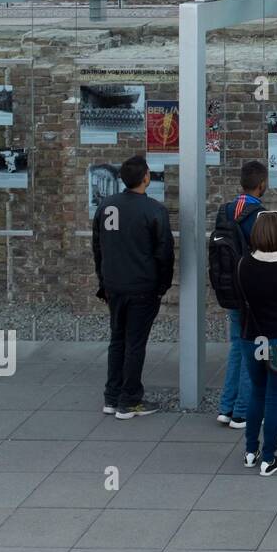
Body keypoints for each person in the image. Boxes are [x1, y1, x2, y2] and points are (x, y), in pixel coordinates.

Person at [92, 155, 175, 419]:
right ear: (146, 178)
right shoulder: (154, 210)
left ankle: (112, 396)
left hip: (114, 284)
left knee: (118, 339)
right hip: (142, 286)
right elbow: (164, 253)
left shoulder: (105, 206)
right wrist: (162, 285)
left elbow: (98, 247)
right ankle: (129, 400)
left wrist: (103, 280)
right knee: (135, 343)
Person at [236, 211, 277, 476]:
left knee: (256, 392)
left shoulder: (242, 264)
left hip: (250, 337)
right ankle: (269, 458)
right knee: (275, 398)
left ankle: (250, 451)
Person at [216, 161, 269, 430]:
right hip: (252, 291)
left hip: (230, 287)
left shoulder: (225, 210)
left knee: (237, 345)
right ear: (262, 184)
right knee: (253, 349)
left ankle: (226, 407)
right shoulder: (260, 215)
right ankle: (242, 412)